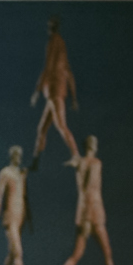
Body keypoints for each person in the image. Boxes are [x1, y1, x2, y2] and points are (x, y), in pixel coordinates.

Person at [53, 134, 120, 265]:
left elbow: (82, 183)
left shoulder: (79, 162)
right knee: (107, 253)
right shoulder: (96, 163)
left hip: (82, 212)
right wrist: (92, 214)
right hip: (94, 212)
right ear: (94, 146)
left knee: (76, 254)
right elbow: (91, 188)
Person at [29, 15, 80, 170]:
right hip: (55, 92)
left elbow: (48, 66)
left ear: (51, 27)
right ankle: (35, 160)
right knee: (42, 128)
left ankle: (76, 154)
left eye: (49, 26)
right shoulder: (62, 47)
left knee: (60, 125)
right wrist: (73, 97)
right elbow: (69, 73)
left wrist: (37, 91)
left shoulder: (54, 42)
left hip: (54, 91)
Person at [0, 145, 32, 265]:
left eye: (20, 154)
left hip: (19, 216)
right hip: (10, 218)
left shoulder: (21, 173)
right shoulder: (6, 173)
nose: (19, 157)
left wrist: (28, 218)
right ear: (11, 156)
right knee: (18, 252)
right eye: (16, 154)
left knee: (12, 252)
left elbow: (24, 197)